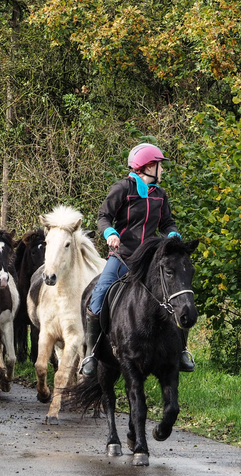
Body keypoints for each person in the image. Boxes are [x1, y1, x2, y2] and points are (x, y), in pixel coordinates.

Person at [79, 143, 195, 377]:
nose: (162, 170)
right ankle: (91, 354)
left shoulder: (160, 195)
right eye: (160, 165)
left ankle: (182, 351)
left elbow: (167, 222)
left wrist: (172, 233)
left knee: (179, 294)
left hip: (149, 261)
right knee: (99, 295)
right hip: (121, 256)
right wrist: (110, 233)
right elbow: (104, 216)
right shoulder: (123, 188)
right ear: (149, 166)